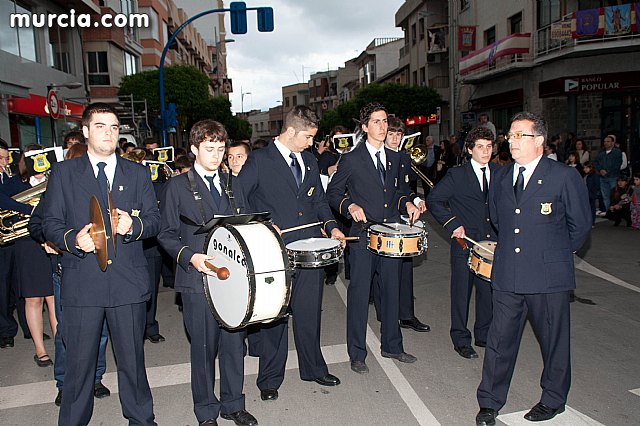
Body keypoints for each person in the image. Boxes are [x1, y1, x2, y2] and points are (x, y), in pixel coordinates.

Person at [43, 102, 159, 425]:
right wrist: (71, 240)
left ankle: (142, 420)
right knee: (79, 369)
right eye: (100, 126)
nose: (108, 133)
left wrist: (133, 227)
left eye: (113, 127)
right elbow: (48, 223)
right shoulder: (65, 174)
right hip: (83, 286)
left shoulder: (137, 173)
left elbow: (154, 220)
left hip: (128, 285)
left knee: (133, 365)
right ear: (85, 131)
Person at [475, 111, 591, 426]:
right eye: (509, 135)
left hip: (548, 277)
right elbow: (500, 220)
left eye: (518, 135)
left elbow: (580, 226)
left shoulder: (563, 176)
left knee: (553, 341)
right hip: (509, 273)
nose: (510, 141)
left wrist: (553, 254)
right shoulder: (500, 176)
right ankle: (489, 401)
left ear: (538, 140)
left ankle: (553, 399)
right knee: (499, 341)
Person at [238, 106, 345, 401]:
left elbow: (320, 202)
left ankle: (313, 368)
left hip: (310, 251)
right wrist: (261, 223)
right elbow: (239, 199)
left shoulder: (310, 161)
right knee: (274, 317)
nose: (312, 143)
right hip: (273, 252)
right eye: (308, 137)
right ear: (292, 131)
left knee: (310, 314)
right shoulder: (259, 161)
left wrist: (332, 228)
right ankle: (270, 378)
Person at [158, 119, 257, 426]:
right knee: (203, 349)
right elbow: (165, 234)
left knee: (233, 345)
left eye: (220, 149)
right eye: (209, 149)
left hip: (232, 279)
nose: (216, 155)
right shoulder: (176, 186)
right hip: (196, 280)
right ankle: (205, 411)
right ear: (194, 150)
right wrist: (189, 257)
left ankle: (233, 404)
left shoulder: (231, 182)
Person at [327, 102, 421, 374]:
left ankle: (392, 344)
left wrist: (408, 205)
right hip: (363, 237)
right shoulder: (351, 159)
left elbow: (399, 192)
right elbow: (333, 194)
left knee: (392, 292)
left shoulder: (396, 158)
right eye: (377, 122)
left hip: (391, 235)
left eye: (384, 122)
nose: (382, 127)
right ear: (365, 127)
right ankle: (357, 352)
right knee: (359, 295)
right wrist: (350, 207)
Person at [28, 143, 111, 406]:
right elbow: (37, 224)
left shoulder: (104, 190)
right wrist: (52, 241)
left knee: (101, 331)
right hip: (68, 271)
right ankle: (65, 382)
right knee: (68, 331)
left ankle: (95, 377)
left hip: (99, 270)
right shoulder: (58, 189)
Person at [427, 127, 497, 360]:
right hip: (464, 242)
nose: (486, 151)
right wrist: (452, 223)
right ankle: (460, 338)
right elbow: (435, 200)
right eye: (480, 147)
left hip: (491, 243)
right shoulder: (457, 175)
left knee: (488, 291)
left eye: (489, 146)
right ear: (469, 149)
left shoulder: (500, 173)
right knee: (461, 292)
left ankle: (484, 333)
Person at [377, 117, 430, 333]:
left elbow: (406, 187)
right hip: (382, 217)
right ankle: (386, 313)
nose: (395, 138)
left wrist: (416, 200)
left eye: (399, 134)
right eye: (391, 133)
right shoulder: (378, 157)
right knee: (383, 271)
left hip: (401, 216)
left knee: (406, 266)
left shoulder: (403, 158)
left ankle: (406, 314)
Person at [595, 134, 623, 212]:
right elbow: (596, 163)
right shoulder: (601, 153)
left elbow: (617, 164)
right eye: (605, 141)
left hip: (613, 177)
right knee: (605, 196)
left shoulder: (617, 152)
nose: (606, 143)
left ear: (612, 142)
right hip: (603, 178)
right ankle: (608, 211)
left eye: (608, 141)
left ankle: (615, 212)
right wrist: (600, 170)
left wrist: (607, 171)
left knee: (614, 196)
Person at [582, 161, 600, 227]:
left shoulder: (594, 176)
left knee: (591, 209)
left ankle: (591, 222)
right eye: (584, 168)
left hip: (591, 194)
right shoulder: (586, 176)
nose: (585, 169)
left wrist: (592, 193)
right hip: (586, 194)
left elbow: (596, 186)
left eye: (587, 168)